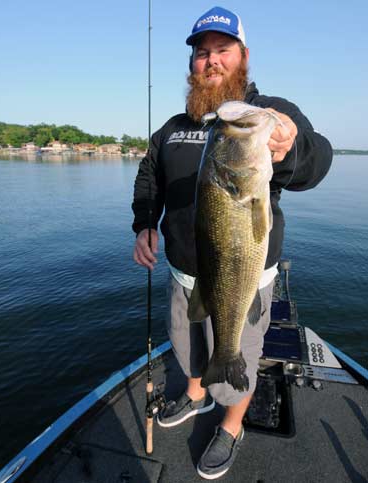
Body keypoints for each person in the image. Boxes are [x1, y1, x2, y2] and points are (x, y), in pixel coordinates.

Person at [132, 6, 332, 480]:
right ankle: (196, 392)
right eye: (202, 54)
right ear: (192, 66)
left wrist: (290, 146)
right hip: (183, 274)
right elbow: (149, 177)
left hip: (244, 276)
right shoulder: (173, 126)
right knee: (187, 350)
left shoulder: (266, 115)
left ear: (243, 56)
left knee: (236, 354)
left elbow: (316, 159)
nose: (212, 61)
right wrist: (145, 223)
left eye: (223, 50)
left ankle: (232, 425)